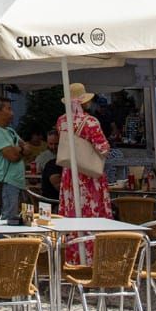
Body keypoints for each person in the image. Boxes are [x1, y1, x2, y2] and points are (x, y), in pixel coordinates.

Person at [57, 83, 113, 262]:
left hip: (70, 174)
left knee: (73, 214)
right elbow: (103, 148)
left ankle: (74, 257)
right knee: (91, 214)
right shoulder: (90, 122)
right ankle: (93, 257)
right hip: (88, 175)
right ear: (85, 102)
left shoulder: (62, 121)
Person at [0, 98, 27, 221]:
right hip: (8, 181)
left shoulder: (10, 131)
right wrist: (20, 149)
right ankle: (3, 240)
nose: (12, 113)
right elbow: (13, 157)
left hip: (17, 181)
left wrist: (18, 149)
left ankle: (14, 240)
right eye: (8, 109)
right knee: (9, 218)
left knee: (19, 218)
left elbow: (28, 150)